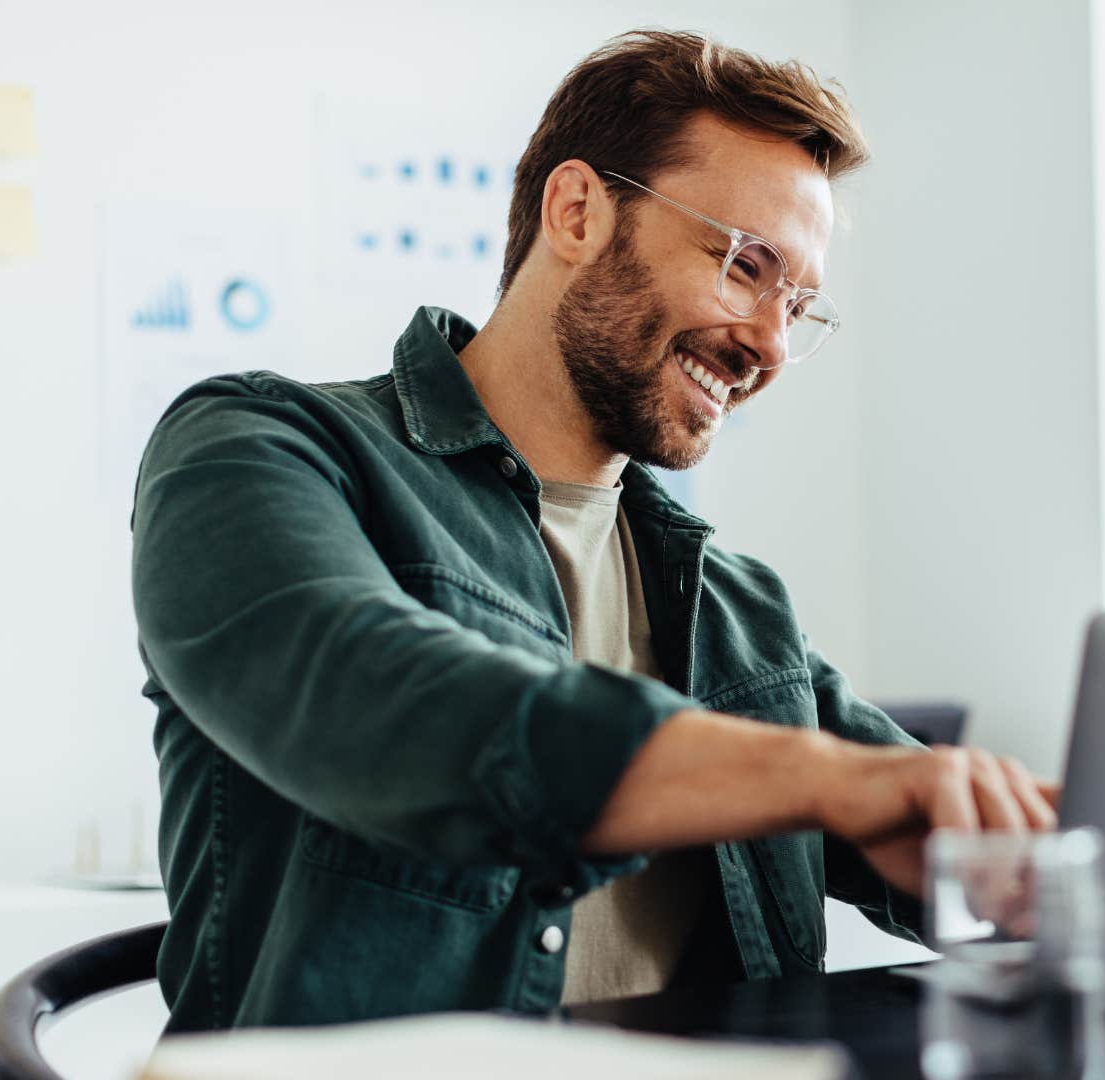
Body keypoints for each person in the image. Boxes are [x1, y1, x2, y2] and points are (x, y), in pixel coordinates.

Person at [133, 30, 1054, 1031]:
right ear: (577, 212)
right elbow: (384, 697)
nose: (768, 344)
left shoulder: (740, 609)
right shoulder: (260, 447)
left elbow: (920, 810)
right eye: (745, 266)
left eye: (797, 306)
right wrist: (826, 779)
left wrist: (1042, 848)